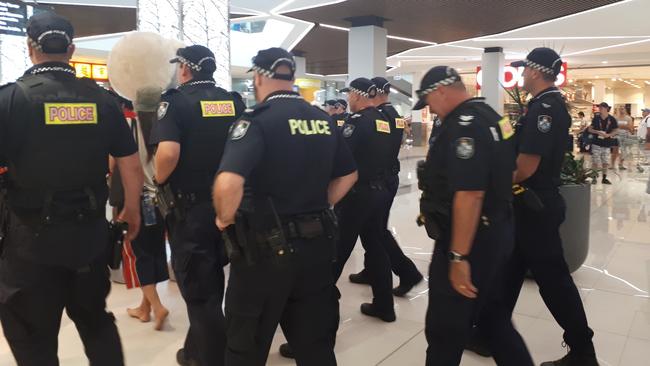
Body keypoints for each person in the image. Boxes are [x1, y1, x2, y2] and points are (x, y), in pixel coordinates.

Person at [0, 12, 143, 365]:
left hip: (29, 242)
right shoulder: (104, 100)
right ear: (72, 49)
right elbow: (131, 162)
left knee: (33, 336)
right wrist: (132, 210)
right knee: (96, 322)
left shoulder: (10, 100)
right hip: (90, 236)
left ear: (30, 49)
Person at [212, 47, 357, 366]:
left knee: (246, 343)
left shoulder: (256, 121)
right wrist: (322, 203)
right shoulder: (322, 119)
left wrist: (225, 219)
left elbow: (228, 182)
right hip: (317, 246)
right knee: (314, 343)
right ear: (291, 77)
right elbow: (349, 173)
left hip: (265, 251)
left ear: (261, 77)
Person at [412, 66, 532, 366]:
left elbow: (470, 194)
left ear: (441, 91)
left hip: (470, 240)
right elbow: (511, 170)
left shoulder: (463, 126)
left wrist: (457, 257)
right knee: (492, 319)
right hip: (498, 230)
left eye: (429, 102)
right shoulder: (494, 116)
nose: (431, 111)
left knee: (444, 328)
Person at [150, 45, 245, 366]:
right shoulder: (233, 101)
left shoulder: (174, 103)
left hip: (190, 210)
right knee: (212, 277)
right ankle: (193, 351)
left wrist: (159, 180)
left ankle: (210, 358)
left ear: (185, 69)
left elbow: (168, 154)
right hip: (228, 204)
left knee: (198, 289)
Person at [507, 48, 599, 366]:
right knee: (508, 270)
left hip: (535, 205)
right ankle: (490, 331)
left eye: (524, 70)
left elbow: (527, 164)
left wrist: (497, 185)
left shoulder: (544, 109)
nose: (521, 75)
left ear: (534, 71)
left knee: (554, 280)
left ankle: (583, 351)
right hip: (528, 205)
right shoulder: (545, 106)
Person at [348, 76, 423, 296]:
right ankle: (372, 270)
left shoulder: (380, 116)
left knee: (376, 231)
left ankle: (407, 271)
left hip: (380, 179)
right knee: (372, 229)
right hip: (387, 176)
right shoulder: (394, 115)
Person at [335, 77, 398, 321]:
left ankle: (314, 325)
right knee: (376, 247)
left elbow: (342, 158)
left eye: (350, 94)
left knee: (336, 255)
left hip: (357, 196)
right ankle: (384, 306)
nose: (348, 99)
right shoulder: (383, 120)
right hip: (380, 192)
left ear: (358, 95)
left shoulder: (356, 122)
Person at [121, 87, 170, 331]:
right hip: (160, 200)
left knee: (139, 254)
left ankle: (158, 307)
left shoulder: (128, 127)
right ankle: (144, 308)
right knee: (156, 250)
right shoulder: (165, 129)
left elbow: (115, 162)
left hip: (137, 200)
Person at [589, 102, 618, 184]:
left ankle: (604, 178)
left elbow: (616, 130)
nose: (599, 109)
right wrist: (597, 132)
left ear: (606, 108)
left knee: (605, 162)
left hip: (606, 143)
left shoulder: (612, 119)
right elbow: (589, 129)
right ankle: (594, 177)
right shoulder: (596, 118)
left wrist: (608, 135)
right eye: (599, 108)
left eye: (601, 108)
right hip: (596, 143)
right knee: (595, 161)